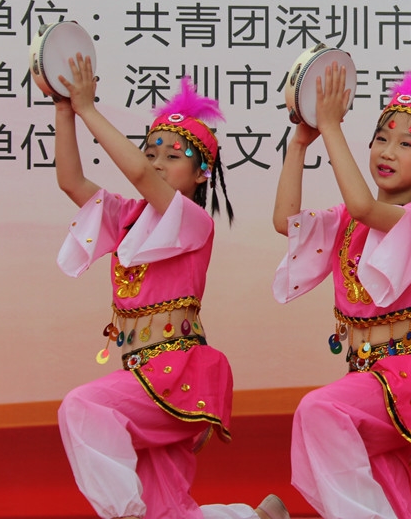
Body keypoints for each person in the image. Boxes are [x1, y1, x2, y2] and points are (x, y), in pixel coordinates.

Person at [53, 55, 287, 519]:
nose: (156, 164)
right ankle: (257, 517)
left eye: (172, 157)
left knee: (83, 407)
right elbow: (70, 181)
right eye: (151, 152)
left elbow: (140, 176)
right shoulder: (127, 217)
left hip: (177, 374)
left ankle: (124, 515)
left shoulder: (193, 221)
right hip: (141, 371)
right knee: (167, 510)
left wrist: (87, 108)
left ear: (201, 174)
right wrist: (64, 109)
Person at [272, 65, 411, 519]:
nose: (387, 152)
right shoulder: (346, 219)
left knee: (319, 409)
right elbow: (285, 222)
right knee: (387, 494)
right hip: (367, 376)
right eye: (381, 138)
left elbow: (364, 205)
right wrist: (299, 143)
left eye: (406, 144)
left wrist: (331, 125)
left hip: (410, 378)